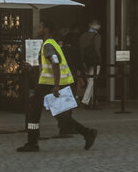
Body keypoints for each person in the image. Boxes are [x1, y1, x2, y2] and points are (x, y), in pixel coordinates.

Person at [19, 19, 96, 153]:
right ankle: (32, 142)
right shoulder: (50, 43)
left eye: (40, 27)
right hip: (49, 84)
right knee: (43, 112)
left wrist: (56, 86)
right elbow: (48, 66)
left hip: (51, 85)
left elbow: (55, 63)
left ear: (46, 29)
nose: (38, 29)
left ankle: (32, 143)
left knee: (52, 114)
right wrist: (32, 68)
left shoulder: (48, 45)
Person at [75, 18, 103, 109]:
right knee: (92, 81)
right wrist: (100, 59)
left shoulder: (83, 36)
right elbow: (97, 49)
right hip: (94, 61)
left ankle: (93, 100)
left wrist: (82, 61)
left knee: (89, 81)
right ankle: (86, 101)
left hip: (85, 61)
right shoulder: (96, 36)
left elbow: (81, 50)